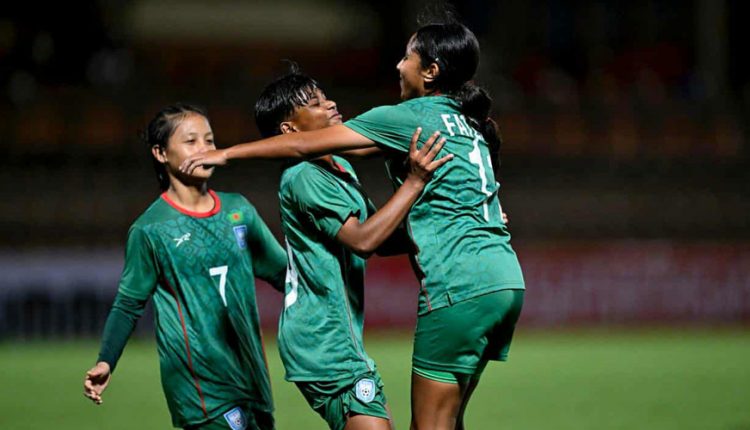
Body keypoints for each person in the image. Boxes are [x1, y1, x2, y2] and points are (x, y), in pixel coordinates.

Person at [181, 18, 525, 430]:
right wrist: (440, 199)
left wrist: (226, 154)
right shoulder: (467, 122)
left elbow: (313, 159)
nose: (398, 65)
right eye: (316, 103)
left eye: (407, 57)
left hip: (456, 286)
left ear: (431, 71)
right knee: (446, 421)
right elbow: (368, 232)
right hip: (502, 280)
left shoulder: (401, 122)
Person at [253, 69, 450, 430]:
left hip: (338, 339)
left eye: (325, 97)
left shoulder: (339, 165)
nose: (330, 104)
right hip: (321, 341)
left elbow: (382, 238)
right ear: (289, 129)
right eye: (315, 104)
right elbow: (363, 240)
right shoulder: (303, 175)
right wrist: (414, 182)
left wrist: (453, 225)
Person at [83, 104, 287, 430]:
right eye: (191, 141)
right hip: (201, 390)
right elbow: (129, 303)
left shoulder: (238, 210)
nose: (204, 149)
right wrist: (106, 360)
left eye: (210, 140)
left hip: (252, 379)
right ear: (161, 153)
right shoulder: (151, 229)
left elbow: (284, 275)